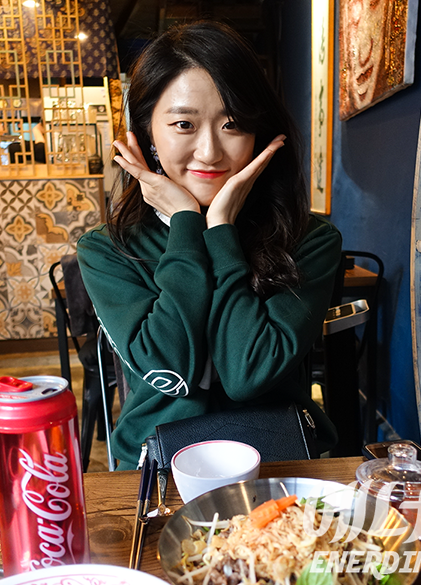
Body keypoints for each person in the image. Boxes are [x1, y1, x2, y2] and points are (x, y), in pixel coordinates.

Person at [77, 21, 342, 470]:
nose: (210, 152)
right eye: (184, 124)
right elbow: (170, 370)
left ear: (259, 131)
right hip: (155, 467)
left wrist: (220, 230)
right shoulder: (108, 250)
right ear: (147, 134)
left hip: (278, 459)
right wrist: (186, 223)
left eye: (232, 124)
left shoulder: (310, 240)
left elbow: (247, 374)